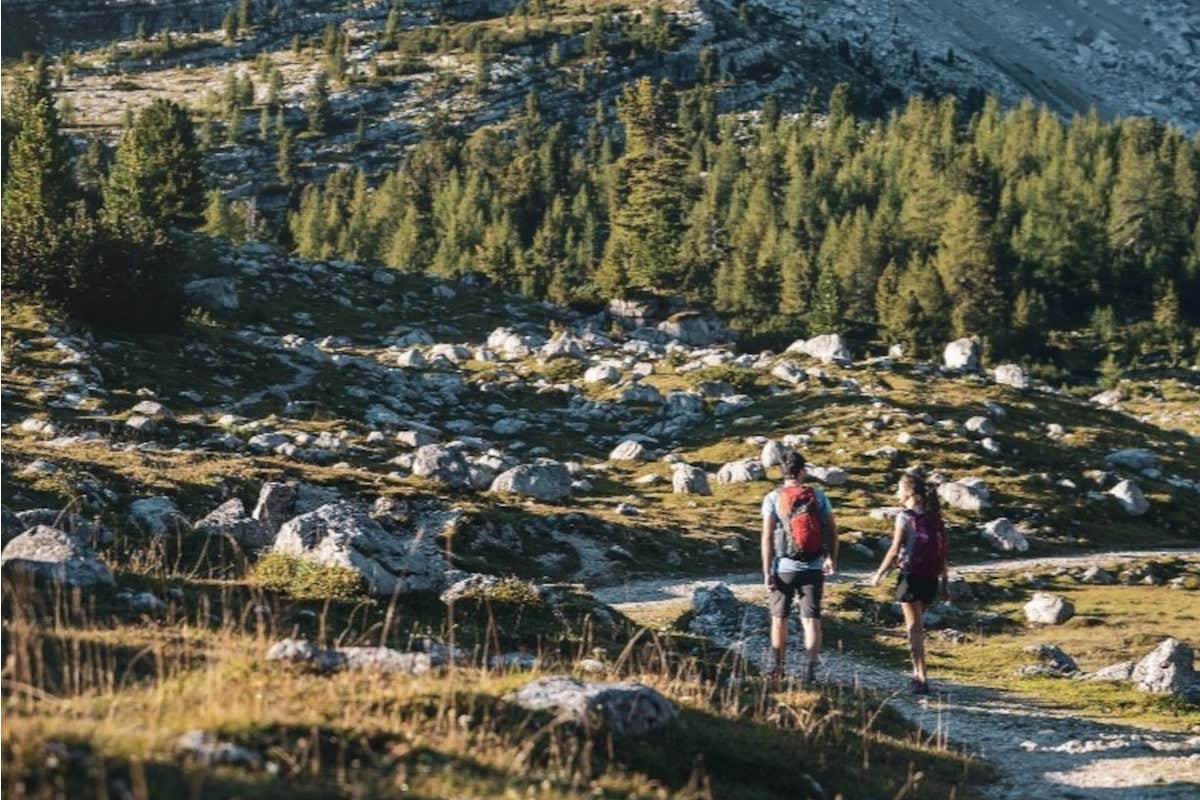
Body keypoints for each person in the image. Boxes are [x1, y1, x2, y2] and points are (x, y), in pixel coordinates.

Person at [761, 452, 838, 685]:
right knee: (811, 620)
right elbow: (833, 531)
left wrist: (767, 570)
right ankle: (811, 673)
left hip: (784, 567)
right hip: (814, 566)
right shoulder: (819, 495)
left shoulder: (773, 498)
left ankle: (777, 668)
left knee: (779, 618)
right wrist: (831, 558)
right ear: (802, 471)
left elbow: (766, 536)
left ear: (782, 471)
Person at [871, 473, 949, 695]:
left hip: (911, 577)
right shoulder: (936, 518)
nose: (896, 492)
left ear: (908, 492)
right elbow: (943, 554)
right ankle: (919, 670)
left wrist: (879, 574)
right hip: (931, 579)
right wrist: (945, 582)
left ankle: (920, 675)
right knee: (918, 625)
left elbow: (895, 550)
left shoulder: (904, 518)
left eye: (898, 487)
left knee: (914, 629)